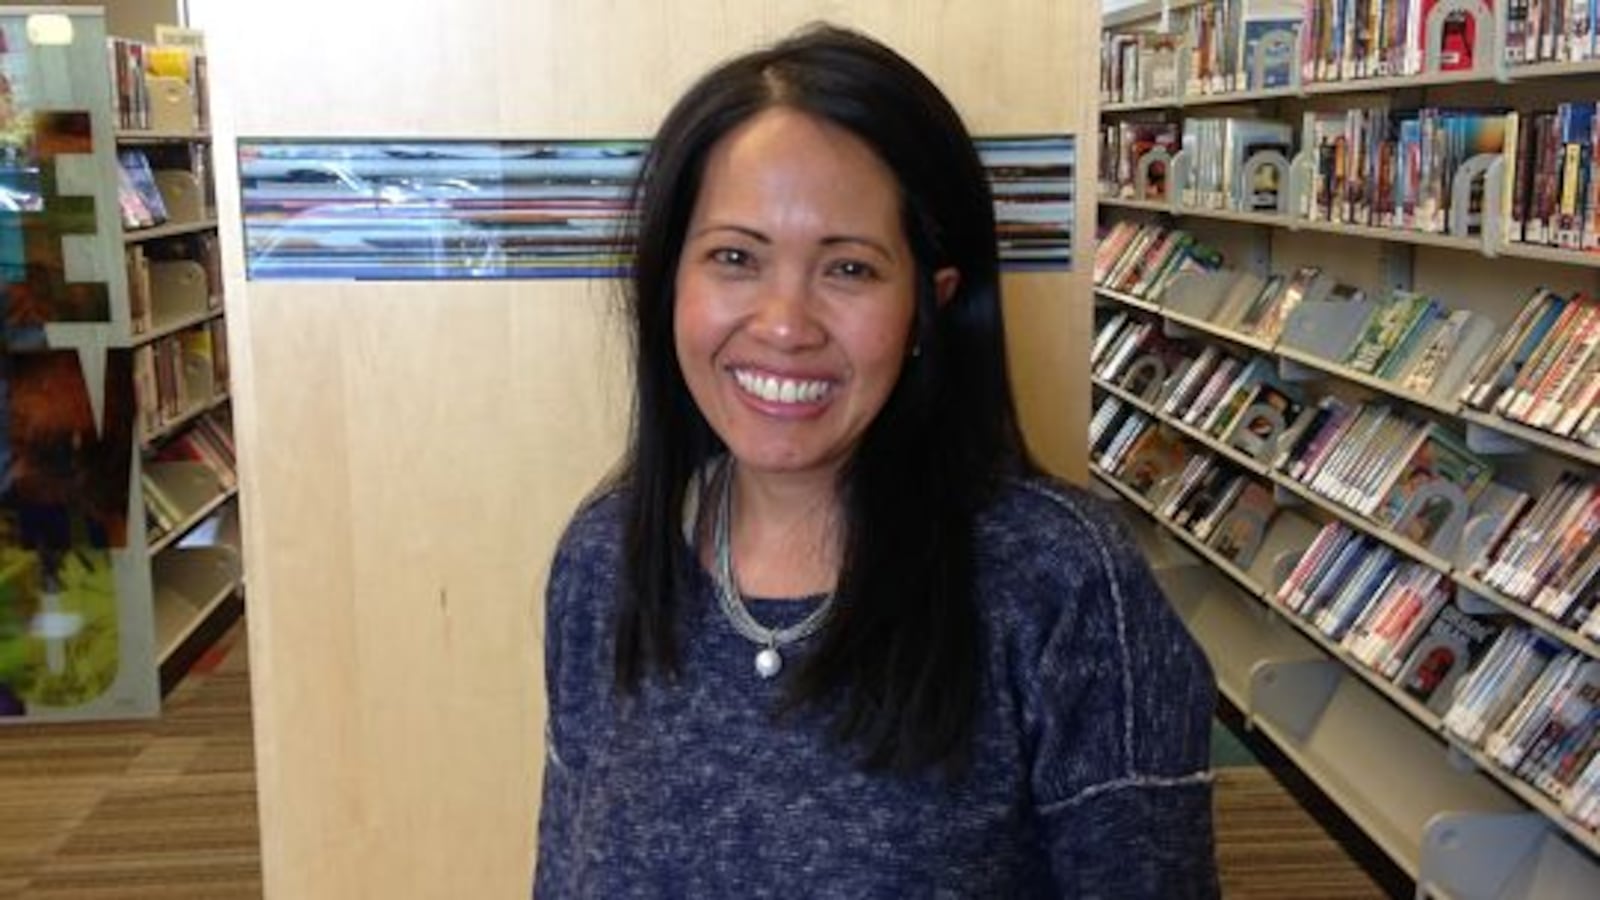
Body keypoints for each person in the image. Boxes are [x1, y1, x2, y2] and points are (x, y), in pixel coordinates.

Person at [534, 23, 1219, 898]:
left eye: (850, 269)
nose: (784, 324)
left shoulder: (1060, 583)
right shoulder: (605, 562)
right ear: (672, 280)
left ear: (928, 307)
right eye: (735, 258)